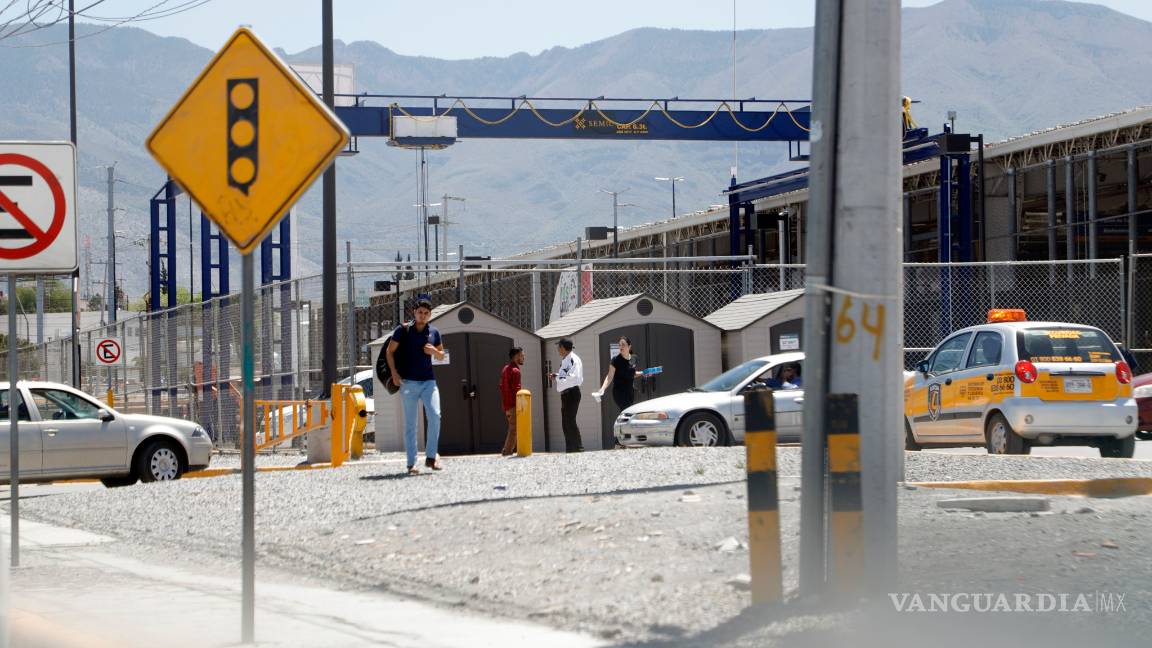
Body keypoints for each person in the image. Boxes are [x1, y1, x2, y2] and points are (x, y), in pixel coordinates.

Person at [385, 298, 446, 474]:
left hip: (429, 382)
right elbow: (390, 351)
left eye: (426, 313)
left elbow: (442, 355)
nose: (423, 315)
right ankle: (411, 464)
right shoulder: (402, 330)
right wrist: (394, 374)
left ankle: (431, 458)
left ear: (430, 314)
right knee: (411, 424)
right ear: (414, 312)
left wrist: (434, 352)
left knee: (435, 416)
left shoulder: (434, 332)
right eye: (420, 312)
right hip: (408, 383)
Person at [551, 338, 584, 452]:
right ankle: (570, 448)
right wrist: (557, 375)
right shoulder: (566, 359)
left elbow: (574, 377)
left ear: (563, 348)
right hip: (566, 393)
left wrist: (558, 377)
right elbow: (566, 375)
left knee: (569, 420)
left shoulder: (573, 359)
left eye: (558, 347)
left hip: (572, 393)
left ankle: (578, 447)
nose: (557, 349)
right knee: (565, 422)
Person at [594, 336, 640, 415]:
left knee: (628, 414)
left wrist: (645, 373)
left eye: (623, 344)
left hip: (630, 392)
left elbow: (632, 374)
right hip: (619, 392)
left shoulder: (634, 358)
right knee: (627, 413)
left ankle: (621, 426)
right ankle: (621, 427)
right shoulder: (616, 360)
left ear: (629, 346)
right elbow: (609, 376)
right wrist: (603, 388)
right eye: (620, 345)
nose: (621, 347)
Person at [499, 346, 524, 456]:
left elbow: (501, 386)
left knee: (514, 428)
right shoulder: (515, 371)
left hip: (506, 405)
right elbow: (517, 390)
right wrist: (522, 405)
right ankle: (507, 451)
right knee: (514, 429)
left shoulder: (505, 369)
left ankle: (516, 449)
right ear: (516, 356)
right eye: (522, 355)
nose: (524, 357)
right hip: (514, 405)